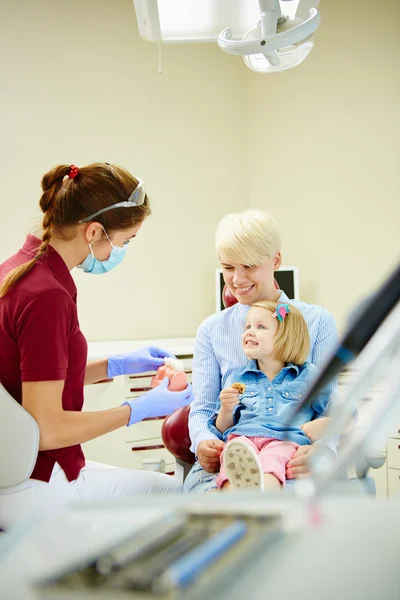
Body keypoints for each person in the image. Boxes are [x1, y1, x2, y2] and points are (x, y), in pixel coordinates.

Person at [0, 162, 192, 529]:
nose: (121, 250)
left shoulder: (17, 270)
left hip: (14, 474)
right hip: (37, 484)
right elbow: (47, 427)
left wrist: (116, 365)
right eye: (125, 241)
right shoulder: (47, 297)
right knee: (175, 496)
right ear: (94, 231)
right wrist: (136, 410)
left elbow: (33, 378)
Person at [185, 209, 338, 493]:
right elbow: (203, 408)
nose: (237, 279)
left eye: (249, 266)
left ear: (276, 260)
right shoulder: (211, 329)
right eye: (228, 267)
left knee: (293, 510)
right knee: (213, 505)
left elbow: (332, 409)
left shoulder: (317, 321)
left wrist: (323, 451)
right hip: (231, 453)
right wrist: (203, 442)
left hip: (294, 453)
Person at [210, 300, 331, 491]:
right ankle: (229, 505)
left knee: (272, 461)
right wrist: (226, 408)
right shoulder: (237, 377)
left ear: (286, 337)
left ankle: (264, 503)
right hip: (243, 437)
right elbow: (223, 428)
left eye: (261, 327)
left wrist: (319, 427)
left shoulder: (308, 375)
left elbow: (344, 414)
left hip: (284, 439)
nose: (249, 331)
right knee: (231, 458)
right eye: (247, 326)